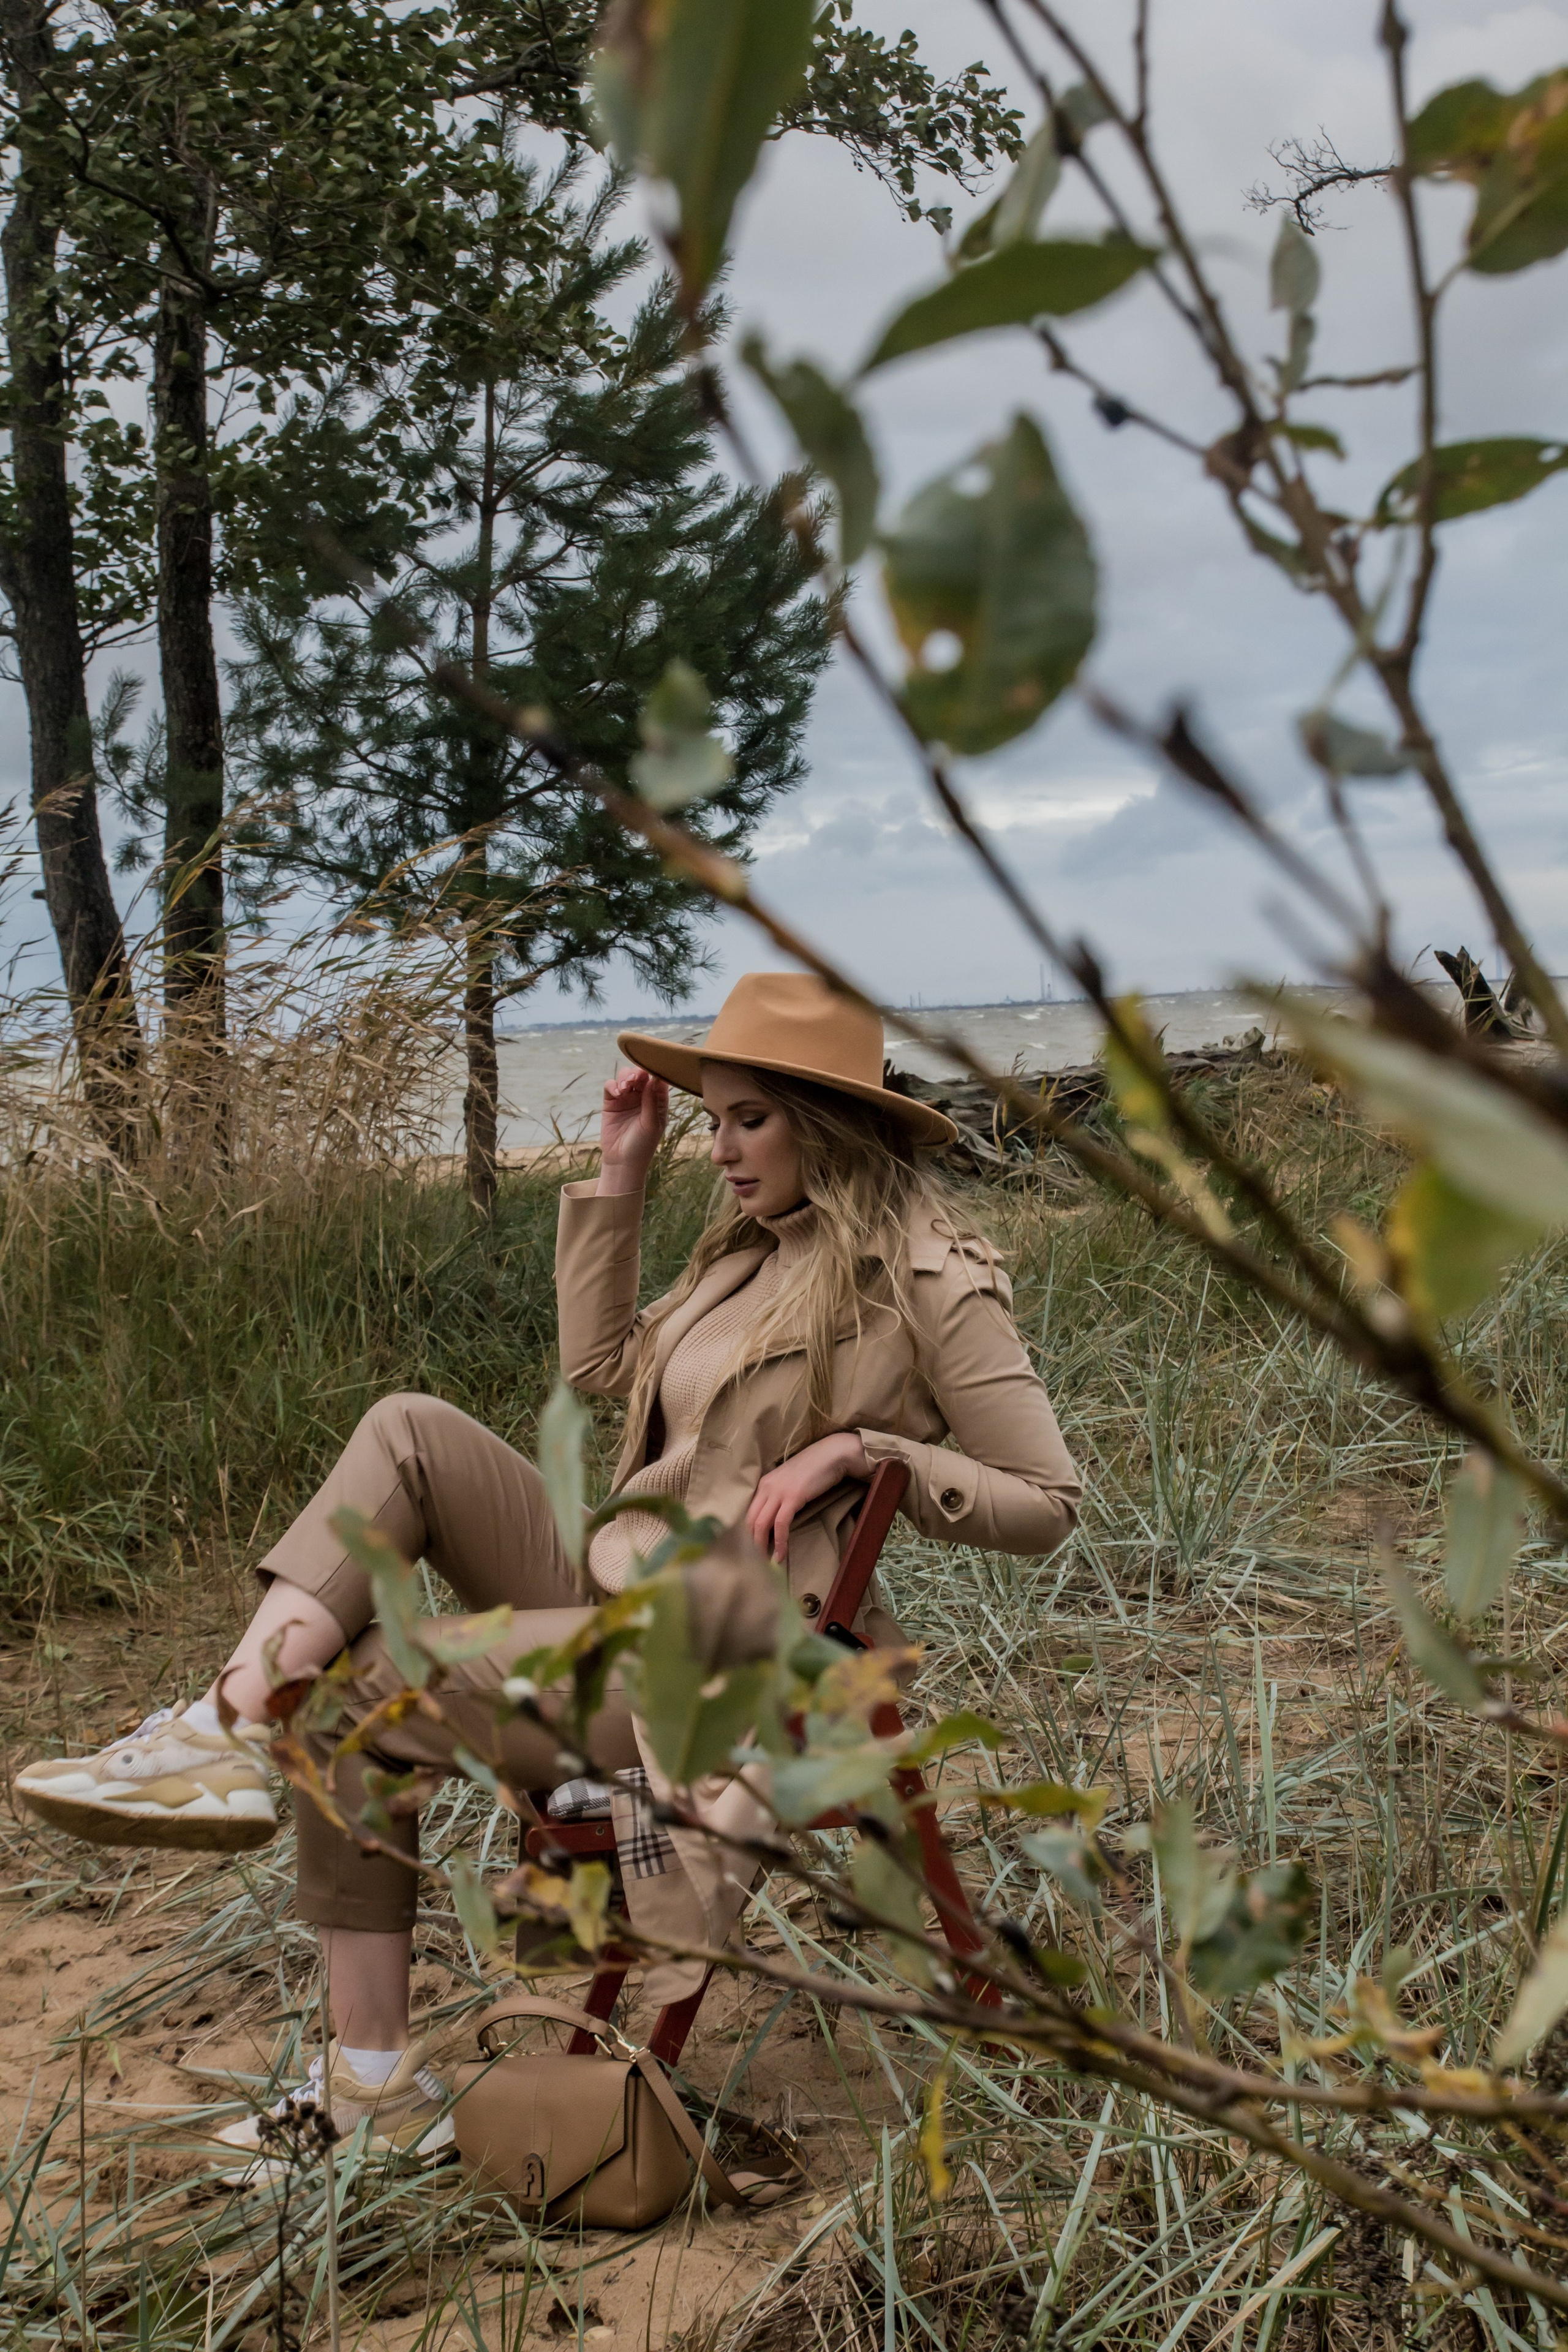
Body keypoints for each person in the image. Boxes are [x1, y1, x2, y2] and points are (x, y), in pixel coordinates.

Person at [17, 971, 1080, 2156]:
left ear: (826, 1122)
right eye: (712, 1117)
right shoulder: (749, 1250)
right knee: (409, 1426)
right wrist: (621, 1175)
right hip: (614, 1580)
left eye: (748, 1119)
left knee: (366, 1689)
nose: (720, 1147)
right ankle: (221, 1730)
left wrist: (860, 1447)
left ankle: (370, 2087)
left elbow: (1047, 1503)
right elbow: (599, 1382)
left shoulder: (932, 1277)